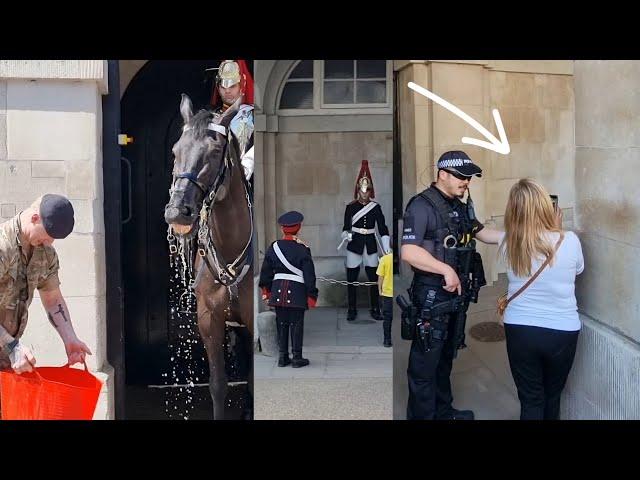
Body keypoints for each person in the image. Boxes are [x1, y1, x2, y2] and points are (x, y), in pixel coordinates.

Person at [400, 151, 502, 420]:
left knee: (445, 360)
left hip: (454, 296)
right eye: (460, 176)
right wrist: (445, 269)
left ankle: (443, 413)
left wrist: (518, 235)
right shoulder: (421, 206)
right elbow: (409, 252)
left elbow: (481, 232)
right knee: (423, 368)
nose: (466, 182)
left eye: (468, 177)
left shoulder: (459, 205)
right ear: (442, 174)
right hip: (431, 296)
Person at [499, 178, 583, 420]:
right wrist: (556, 228)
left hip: (520, 329)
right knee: (552, 395)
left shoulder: (509, 242)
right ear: (547, 207)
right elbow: (577, 270)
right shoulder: (570, 241)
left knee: (530, 398)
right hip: (562, 330)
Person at [0, 194, 92, 382]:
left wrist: (70, 339)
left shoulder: (45, 253)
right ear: (35, 218)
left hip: (7, 359)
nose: (49, 244)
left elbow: (53, 299)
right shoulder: (3, 246)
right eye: (46, 237)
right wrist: (12, 347)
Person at [259, 211, 318, 368]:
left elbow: (266, 271)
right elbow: (309, 275)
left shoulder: (274, 247)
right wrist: (311, 294)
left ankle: (282, 357)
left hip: (278, 290)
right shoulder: (303, 249)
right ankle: (297, 358)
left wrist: (267, 291)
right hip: (297, 291)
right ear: (298, 227)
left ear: (282, 229)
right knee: (296, 324)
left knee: (282, 323)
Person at [341, 160, 391, 322]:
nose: (364, 193)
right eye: (362, 190)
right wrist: (346, 236)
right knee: (352, 279)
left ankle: (375, 308)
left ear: (370, 191)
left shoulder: (375, 207)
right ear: (358, 190)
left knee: (374, 279)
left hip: (370, 244)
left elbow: (382, 227)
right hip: (354, 245)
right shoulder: (351, 207)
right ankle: (352, 308)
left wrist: (385, 246)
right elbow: (345, 227)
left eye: (367, 190)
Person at [208, 59, 255, 182]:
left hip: (246, 181)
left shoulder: (253, 116)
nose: (227, 91)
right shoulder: (209, 118)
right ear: (218, 87)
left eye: (232, 86)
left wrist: (249, 162)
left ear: (242, 85)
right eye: (223, 86)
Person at [376, 246, 393, 347]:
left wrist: (379, 290)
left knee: (387, 318)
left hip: (387, 293)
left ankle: (387, 340)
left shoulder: (384, 259)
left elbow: (380, 277)